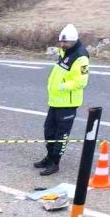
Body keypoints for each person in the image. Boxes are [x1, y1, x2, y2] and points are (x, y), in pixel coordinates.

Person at [34, 24, 90, 176]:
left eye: (66, 42)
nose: (62, 44)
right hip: (55, 101)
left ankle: (55, 163)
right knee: (48, 131)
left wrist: (62, 86)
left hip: (68, 103)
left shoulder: (81, 57)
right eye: (61, 42)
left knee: (61, 135)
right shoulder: (64, 51)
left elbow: (81, 82)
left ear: (74, 41)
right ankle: (49, 156)